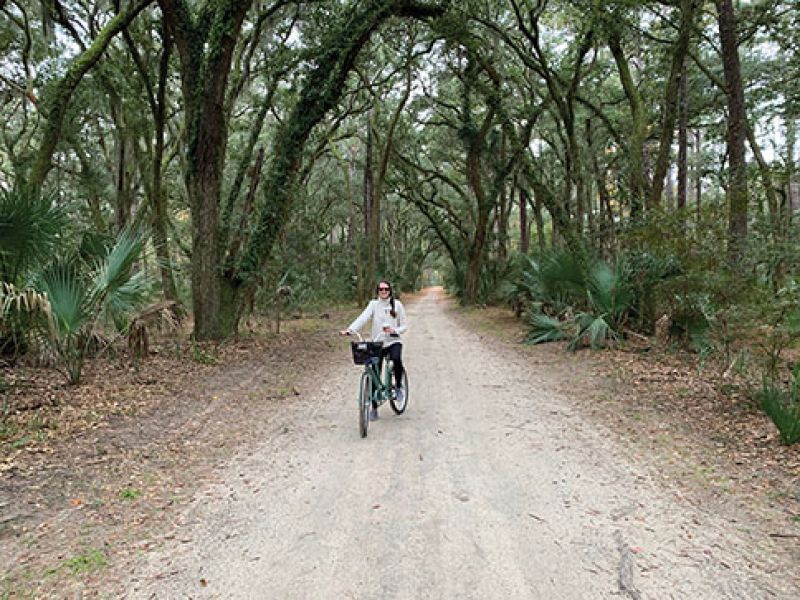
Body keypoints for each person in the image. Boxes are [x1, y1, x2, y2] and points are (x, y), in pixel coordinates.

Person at [340, 280, 408, 421]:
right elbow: (363, 318)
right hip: (377, 343)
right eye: (381, 289)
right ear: (377, 291)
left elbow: (405, 326)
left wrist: (394, 330)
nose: (383, 292)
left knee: (396, 359)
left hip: (393, 341)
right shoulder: (373, 305)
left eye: (386, 289)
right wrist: (350, 329)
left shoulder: (397, 305)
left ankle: (399, 387)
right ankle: (374, 408)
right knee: (373, 373)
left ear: (390, 290)